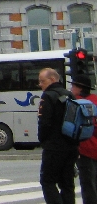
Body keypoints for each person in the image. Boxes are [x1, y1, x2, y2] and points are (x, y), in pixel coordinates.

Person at [38, 67, 80, 204]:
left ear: (52, 79)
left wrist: (43, 141)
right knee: (67, 183)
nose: (40, 84)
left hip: (54, 147)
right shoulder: (69, 95)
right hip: (71, 146)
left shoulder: (48, 96)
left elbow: (45, 123)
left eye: (42, 81)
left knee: (47, 181)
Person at [70, 74, 97, 204]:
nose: (71, 88)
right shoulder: (95, 100)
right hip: (96, 147)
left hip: (84, 148)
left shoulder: (76, 103)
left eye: (73, 86)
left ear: (80, 88)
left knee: (87, 184)